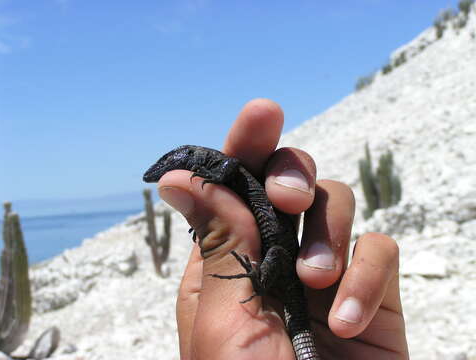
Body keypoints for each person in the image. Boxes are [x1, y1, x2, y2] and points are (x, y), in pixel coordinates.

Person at [157, 99, 409, 359]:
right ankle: (262, 282)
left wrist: (258, 279)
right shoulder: (213, 166)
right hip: (276, 249)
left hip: (279, 251)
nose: (162, 166)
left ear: (186, 155)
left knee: (277, 255)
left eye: (166, 159)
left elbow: (230, 167)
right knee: (279, 261)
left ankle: (261, 281)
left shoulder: (218, 163)